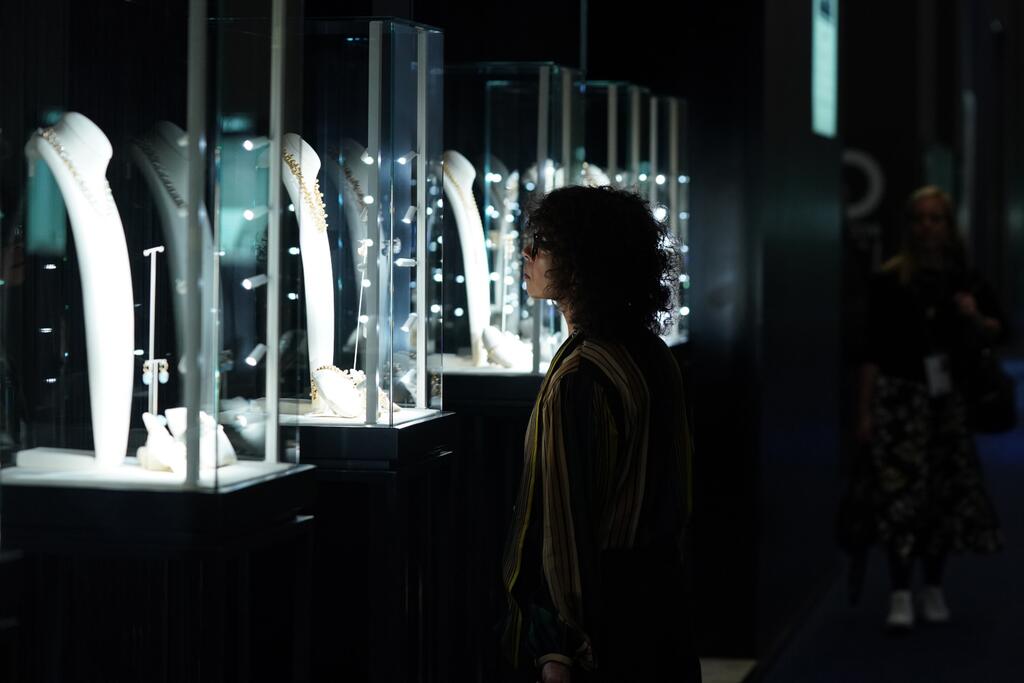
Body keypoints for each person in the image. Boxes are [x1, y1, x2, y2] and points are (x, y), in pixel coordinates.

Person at [500, 186, 700, 682]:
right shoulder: (652, 352)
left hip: (606, 620)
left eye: (542, 243)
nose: (527, 254)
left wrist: (559, 647)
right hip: (662, 599)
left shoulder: (582, 374)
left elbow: (565, 524)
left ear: (581, 261)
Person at [857, 185, 1003, 630]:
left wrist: (973, 315)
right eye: (920, 219)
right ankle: (901, 590)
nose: (927, 227)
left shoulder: (967, 279)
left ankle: (933, 587)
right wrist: (864, 412)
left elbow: (1001, 328)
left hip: (947, 402)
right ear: (909, 226)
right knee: (900, 497)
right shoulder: (888, 281)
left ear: (948, 225)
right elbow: (871, 352)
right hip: (900, 400)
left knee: (943, 495)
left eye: (935, 218)